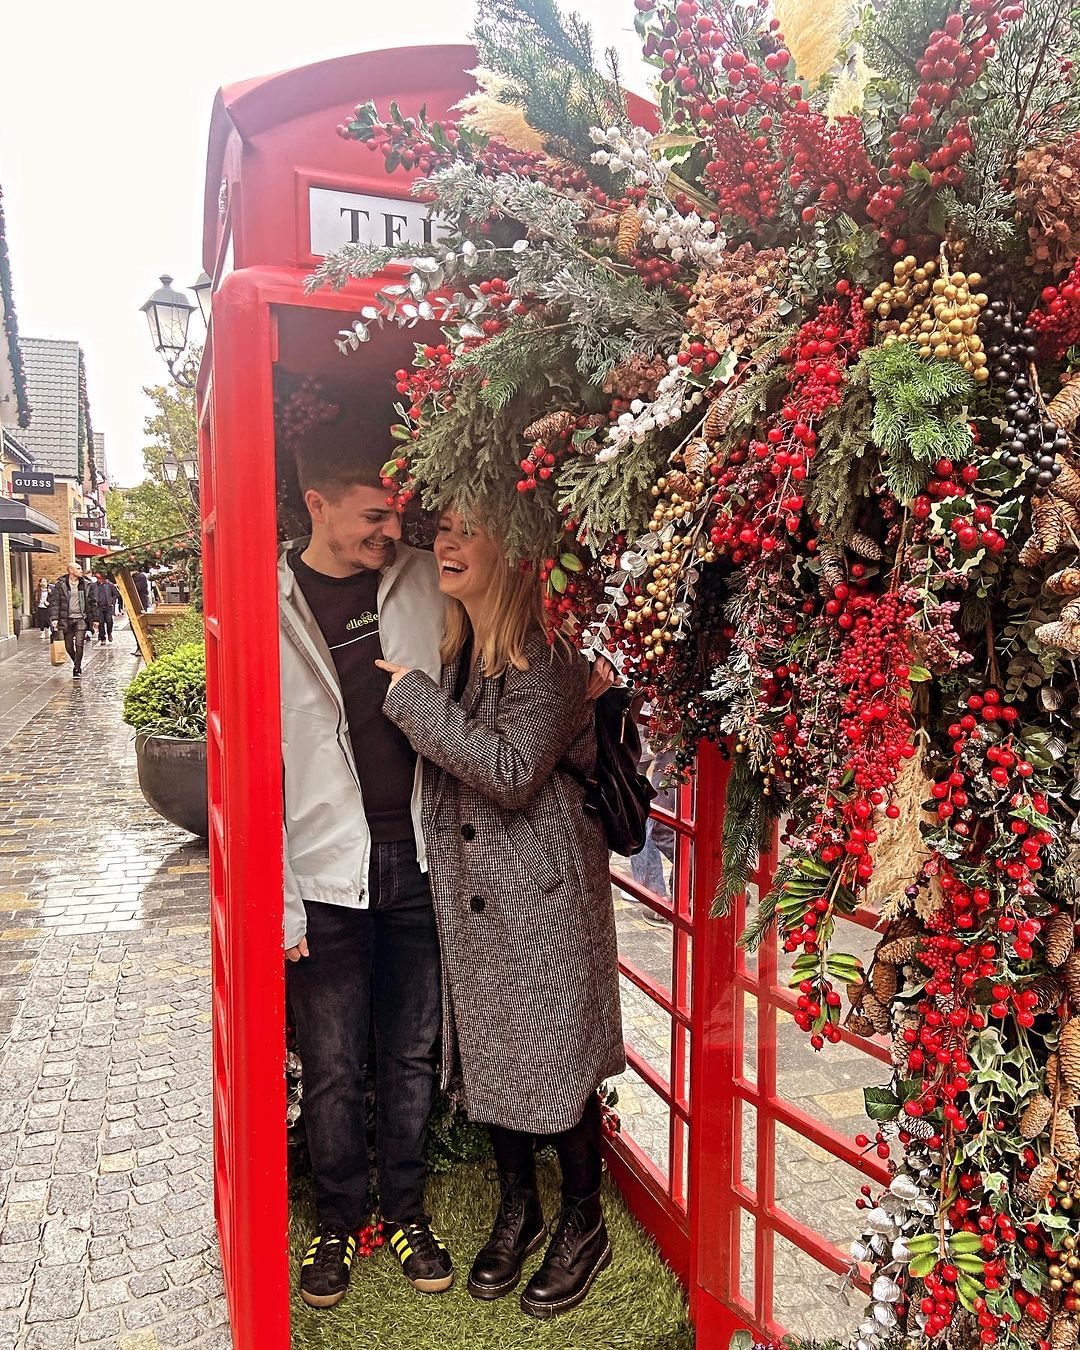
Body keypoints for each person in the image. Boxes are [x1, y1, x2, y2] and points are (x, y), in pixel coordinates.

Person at [378, 508, 625, 1321]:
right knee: (493, 1045)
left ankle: (582, 1220)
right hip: (474, 888)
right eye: (440, 531)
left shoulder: (546, 654)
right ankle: (519, 1206)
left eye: (463, 532)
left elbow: (514, 770)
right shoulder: (461, 650)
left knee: (556, 1056)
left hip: (545, 895)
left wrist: (409, 700)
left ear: (510, 552)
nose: (443, 546)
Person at [279, 413, 452, 1310]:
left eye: (400, 513)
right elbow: (253, 769)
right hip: (321, 870)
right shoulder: (267, 601)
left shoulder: (424, 580)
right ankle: (339, 1219)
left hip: (421, 858)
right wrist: (279, 900)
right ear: (317, 504)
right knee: (336, 1058)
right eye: (374, 515)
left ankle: (408, 1209)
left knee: (412, 1050)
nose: (394, 529)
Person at [48, 562, 98, 678]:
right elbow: (55, 603)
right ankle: (77, 662)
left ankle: (77, 668)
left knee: (79, 643)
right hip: (66, 619)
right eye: (78, 568)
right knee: (68, 646)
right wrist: (55, 618)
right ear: (71, 571)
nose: (81, 570)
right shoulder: (61, 585)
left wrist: (95, 618)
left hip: (81, 618)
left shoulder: (86, 584)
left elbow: (92, 602)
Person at [130, 570, 151, 654]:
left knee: (139, 625)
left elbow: (136, 588)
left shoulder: (141, 577)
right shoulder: (135, 577)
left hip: (141, 604)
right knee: (134, 625)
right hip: (134, 604)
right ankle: (139, 646)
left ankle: (141, 647)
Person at [96, 575, 121, 643]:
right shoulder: (95, 585)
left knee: (109, 621)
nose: (101, 580)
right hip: (98, 607)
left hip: (108, 606)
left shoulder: (110, 585)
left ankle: (109, 633)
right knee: (101, 623)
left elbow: (116, 594)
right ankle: (102, 637)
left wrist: (112, 601)